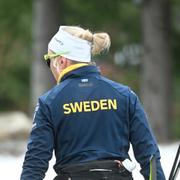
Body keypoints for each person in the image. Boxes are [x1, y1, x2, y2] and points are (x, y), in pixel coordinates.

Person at [20, 25, 165, 180]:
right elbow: (149, 155)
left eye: (49, 61)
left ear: (62, 61)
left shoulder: (49, 102)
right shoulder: (125, 95)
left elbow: (35, 163)